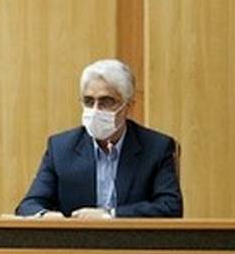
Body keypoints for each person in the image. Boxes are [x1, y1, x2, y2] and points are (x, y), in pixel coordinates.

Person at [16, 58, 182, 219]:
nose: (95, 110)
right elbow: (28, 206)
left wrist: (110, 215)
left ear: (128, 106)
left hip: (133, 238)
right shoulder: (61, 148)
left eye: (106, 101)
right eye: (89, 101)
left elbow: (170, 207)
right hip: (76, 238)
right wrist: (47, 216)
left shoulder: (157, 148)